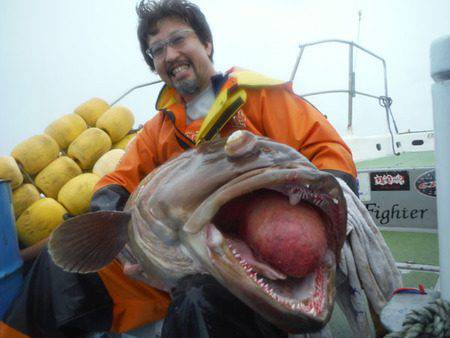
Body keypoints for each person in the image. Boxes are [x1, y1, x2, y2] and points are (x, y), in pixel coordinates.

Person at [0, 1, 357, 337]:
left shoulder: (264, 98)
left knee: (199, 300)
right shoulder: (157, 130)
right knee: (58, 267)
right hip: (181, 254)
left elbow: (327, 152)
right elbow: (117, 180)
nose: (170, 54)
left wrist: (328, 212)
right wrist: (121, 241)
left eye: (178, 39)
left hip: (247, 263)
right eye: (157, 50)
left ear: (207, 43)